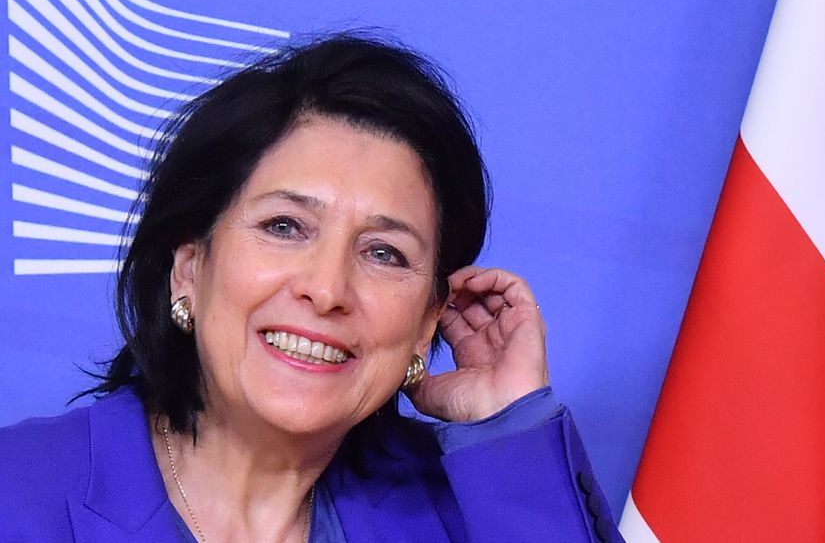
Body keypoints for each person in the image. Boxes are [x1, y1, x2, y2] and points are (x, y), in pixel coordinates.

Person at [0, 33, 621, 542]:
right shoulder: (18, 494)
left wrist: (506, 426)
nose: (327, 290)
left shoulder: (469, 512)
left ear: (428, 322)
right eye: (284, 226)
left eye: (384, 253)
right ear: (189, 267)